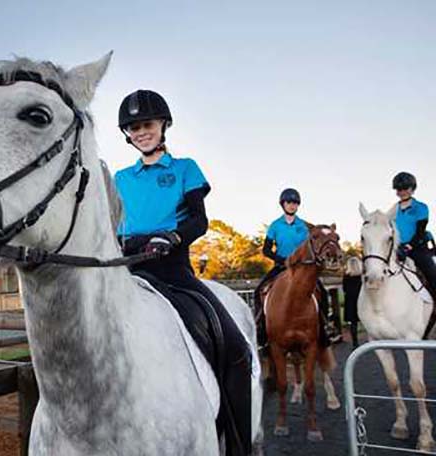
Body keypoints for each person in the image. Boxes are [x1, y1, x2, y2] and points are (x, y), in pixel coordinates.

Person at [114, 89, 251, 455]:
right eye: (133, 127)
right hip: (127, 268)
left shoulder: (185, 168)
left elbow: (200, 220)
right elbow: (112, 224)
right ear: (126, 134)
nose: (141, 132)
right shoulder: (120, 178)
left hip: (172, 268)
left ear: (163, 126)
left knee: (237, 351)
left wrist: (171, 237)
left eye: (147, 124)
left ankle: (239, 446)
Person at [253, 188, 330, 349]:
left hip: (302, 268)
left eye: (295, 203)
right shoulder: (275, 225)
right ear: (283, 204)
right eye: (289, 202)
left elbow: (311, 247)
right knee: (259, 290)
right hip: (281, 266)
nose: (292, 206)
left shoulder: (304, 226)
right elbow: (266, 250)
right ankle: (261, 329)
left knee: (321, 291)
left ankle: (324, 328)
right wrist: (281, 260)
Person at [393, 172, 436, 297]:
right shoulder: (394, 210)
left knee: (432, 274)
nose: (402, 191)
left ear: (412, 188)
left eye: (405, 188)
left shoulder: (421, 207)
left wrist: (409, 246)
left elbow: (420, 231)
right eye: (399, 189)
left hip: (417, 247)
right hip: (398, 248)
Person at [343, 256, 363, 348]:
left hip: (350, 301)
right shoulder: (361, 277)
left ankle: (355, 343)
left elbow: (344, 289)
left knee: (353, 323)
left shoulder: (346, 276)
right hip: (361, 299)